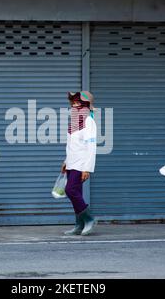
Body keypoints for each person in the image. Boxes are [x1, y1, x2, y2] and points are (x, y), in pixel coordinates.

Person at [61, 91, 97, 236]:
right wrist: (65, 162)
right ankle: (79, 224)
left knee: (70, 190)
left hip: (81, 164)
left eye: (78, 103)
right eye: (73, 103)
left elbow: (91, 146)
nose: (75, 105)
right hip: (72, 163)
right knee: (77, 193)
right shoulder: (74, 122)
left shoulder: (89, 121)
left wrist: (87, 169)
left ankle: (89, 219)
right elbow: (72, 145)